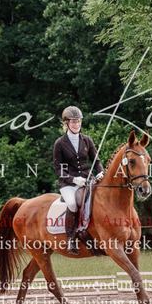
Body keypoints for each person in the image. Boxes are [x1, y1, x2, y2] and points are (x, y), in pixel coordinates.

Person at [53, 106, 104, 255]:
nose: (77, 124)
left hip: (88, 180)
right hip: (68, 183)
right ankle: (71, 239)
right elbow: (58, 169)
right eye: (73, 122)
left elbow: (96, 161)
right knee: (72, 203)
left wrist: (101, 172)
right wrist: (74, 179)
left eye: (79, 121)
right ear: (66, 123)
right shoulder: (60, 143)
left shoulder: (87, 140)